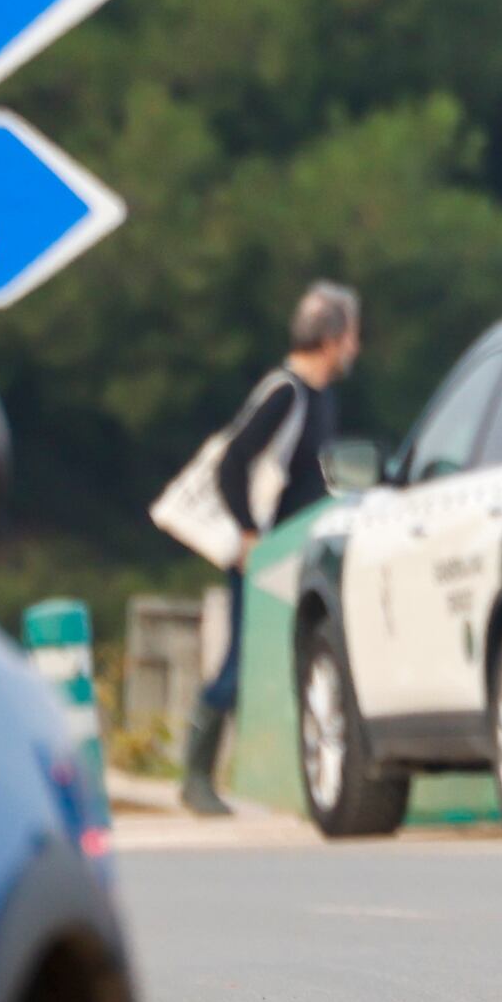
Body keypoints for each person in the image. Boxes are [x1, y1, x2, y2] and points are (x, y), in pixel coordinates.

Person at [175, 280, 365, 818]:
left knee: (281, 662)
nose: (355, 346)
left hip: (292, 553)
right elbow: (232, 462)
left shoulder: (322, 396)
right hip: (262, 557)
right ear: (331, 338)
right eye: (351, 334)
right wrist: (249, 534)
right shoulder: (288, 392)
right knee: (239, 663)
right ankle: (196, 777)